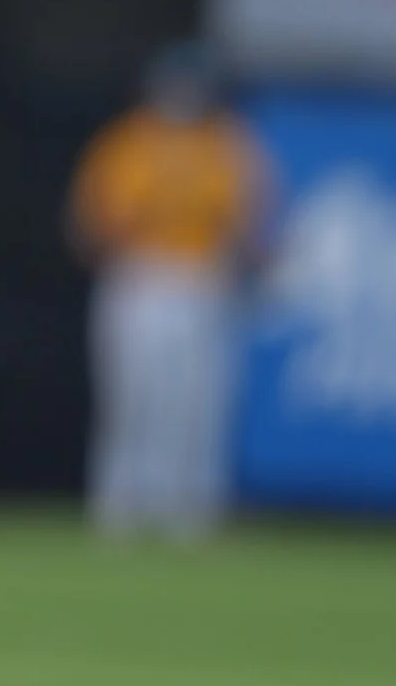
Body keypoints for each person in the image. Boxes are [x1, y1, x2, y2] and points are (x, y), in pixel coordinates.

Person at [66, 44, 274, 538]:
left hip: (203, 279)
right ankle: (121, 503)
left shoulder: (225, 145)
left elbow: (250, 225)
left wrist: (253, 265)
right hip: (141, 276)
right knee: (134, 395)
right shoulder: (129, 142)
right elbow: (93, 221)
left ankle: (192, 508)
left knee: (198, 400)